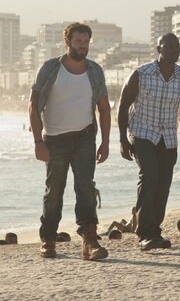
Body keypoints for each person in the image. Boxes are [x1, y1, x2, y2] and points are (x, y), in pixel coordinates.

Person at [29, 22, 110, 260]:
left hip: (85, 137)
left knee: (86, 187)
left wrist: (105, 143)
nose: (83, 46)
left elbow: (104, 108)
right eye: (78, 41)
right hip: (54, 140)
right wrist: (37, 141)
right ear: (68, 42)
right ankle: (48, 239)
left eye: (86, 42)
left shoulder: (94, 70)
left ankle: (90, 240)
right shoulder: (50, 69)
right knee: (54, 190)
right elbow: (34, 106)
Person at [118, 33, 180, 252]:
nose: (173, 50)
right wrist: (123, 140)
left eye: (177, 46)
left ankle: (154, 230)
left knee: (163, 184)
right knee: (149, 174)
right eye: (168, 46)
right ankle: (144, 233)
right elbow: (123, 106)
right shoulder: (140, 74)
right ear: (158, 48)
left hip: (168, 138)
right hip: (142, 133)